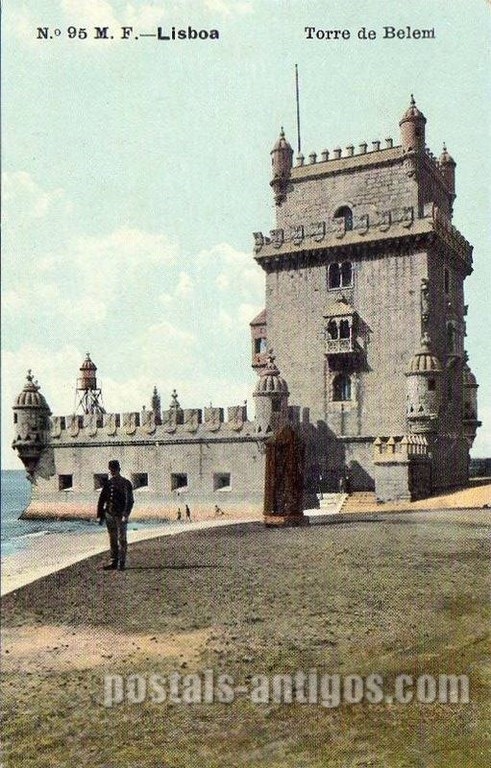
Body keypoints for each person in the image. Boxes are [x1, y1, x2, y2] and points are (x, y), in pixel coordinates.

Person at [97, 460, 134, 571]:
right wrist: (100, 515)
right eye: (111, 470)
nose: (112, 472)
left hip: (120, 515)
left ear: (119, 469)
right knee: (112, 539)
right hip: (109, 514)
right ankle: (114, 561)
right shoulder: (108, 483)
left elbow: (130, 500)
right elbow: (102, 499)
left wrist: (126, 514)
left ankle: (121, 563)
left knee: (122, 539)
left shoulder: (126, 483)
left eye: (114, 469)